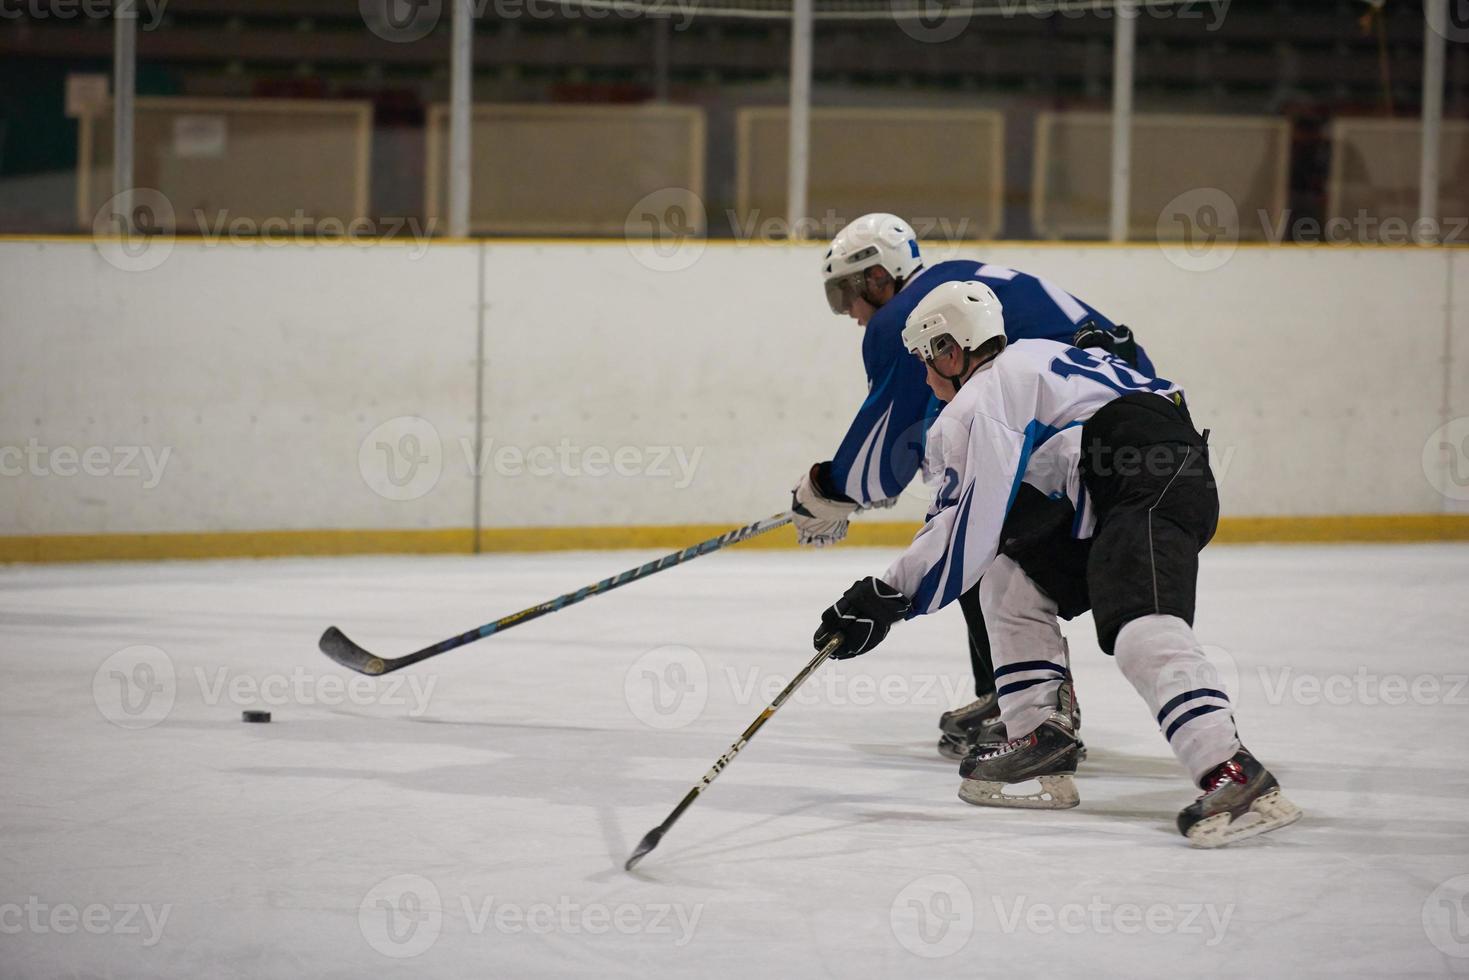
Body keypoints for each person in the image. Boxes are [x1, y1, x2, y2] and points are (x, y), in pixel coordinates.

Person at [810, 280, 1301, 847]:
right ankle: (1038, 736)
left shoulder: (984, 396)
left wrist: (883, 597)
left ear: (952, 351)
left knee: (1140, 627)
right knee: (1008, 574)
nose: (925, 377)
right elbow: (1001, 527)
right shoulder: (1038, 355)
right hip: (1128, 476)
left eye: (927, 360)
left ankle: (1232, 771)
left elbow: (965, 528)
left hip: (1143, 479)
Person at [792, 212, 1148, 760]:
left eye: (847, 295)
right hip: (1133, 414)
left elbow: (882, 457)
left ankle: (1035, 712)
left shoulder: (909, 316)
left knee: (977, 533)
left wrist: (829, 488)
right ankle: (1012, 696)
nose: (852, 315)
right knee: (980, 532)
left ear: (880, 280)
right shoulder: (951, 283)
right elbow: (926, 431)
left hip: (1094, 435)